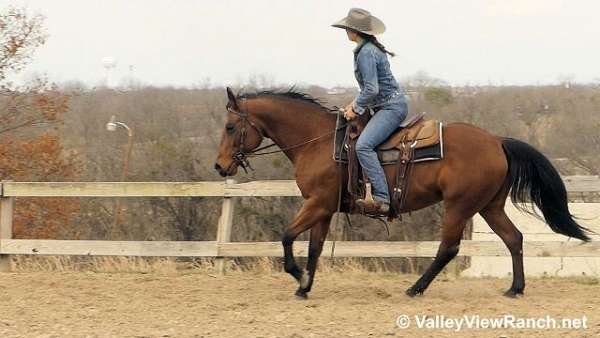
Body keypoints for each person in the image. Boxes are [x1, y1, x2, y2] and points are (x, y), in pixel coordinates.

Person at [332, 8, 408, 214]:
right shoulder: (368, 49)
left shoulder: (366, 52)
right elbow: (369, 89)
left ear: (353, 31)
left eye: (347, 28)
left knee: (363, 146)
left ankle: (382, 197)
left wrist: (355, 108)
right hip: (385, 105)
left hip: (390, 108)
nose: (346, 31)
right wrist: (353, 104)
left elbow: (371, 89)